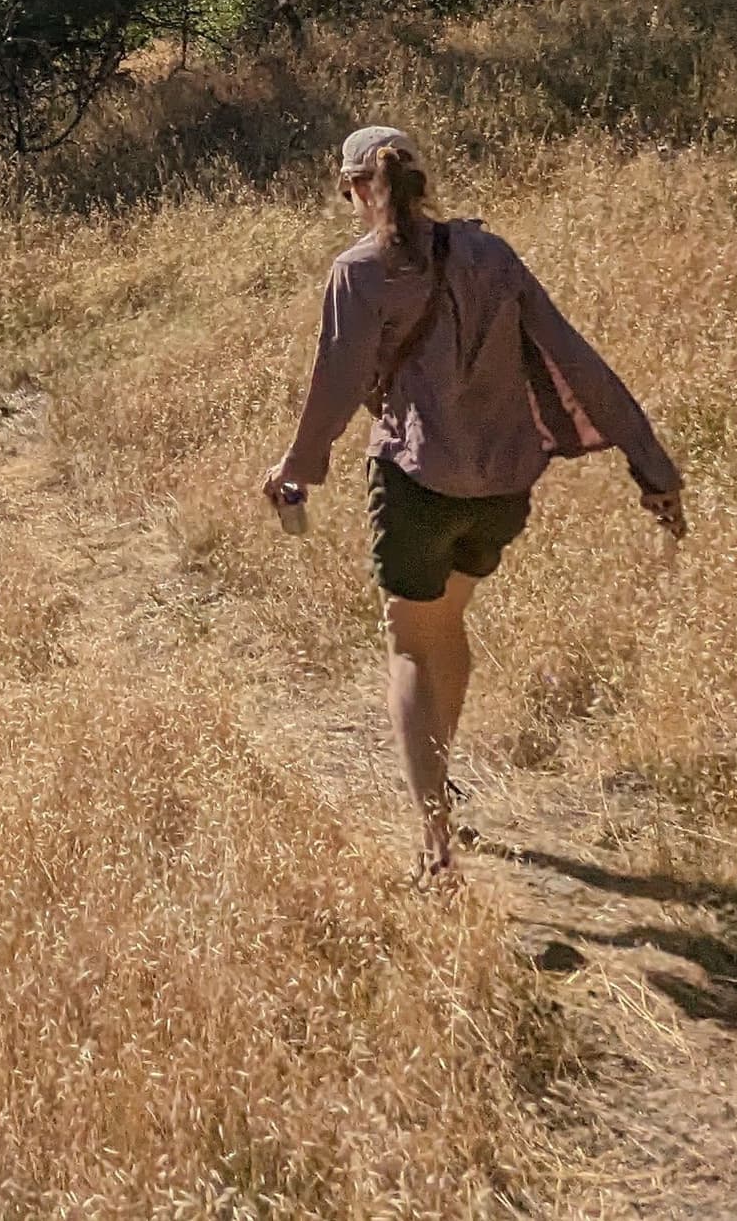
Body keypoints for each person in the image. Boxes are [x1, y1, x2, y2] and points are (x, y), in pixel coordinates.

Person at [262, 124, 685, 880]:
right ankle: (440, 781)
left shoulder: (360, 272)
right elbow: (575, 356)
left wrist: (296, 470)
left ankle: (434, 841)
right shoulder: (493, 254)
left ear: (356, 188)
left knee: (408, 644)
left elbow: (334, 385)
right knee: (446, 624)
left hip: (417, 484)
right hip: (501, 489)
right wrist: (649, 463)